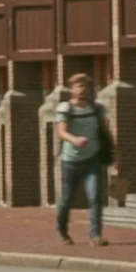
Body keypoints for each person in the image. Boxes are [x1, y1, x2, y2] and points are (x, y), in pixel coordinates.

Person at [54, 73, 110, 245]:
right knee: (67, 199)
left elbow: (105, 132)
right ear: (71, 89)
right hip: (71, 161)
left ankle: (95, 236)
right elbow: (61, 132)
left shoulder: (96, 108)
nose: (83, 89)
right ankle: (62, 231)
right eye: (79, 85)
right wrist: (75, 140)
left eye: (85, 85)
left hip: (92, 160)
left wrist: (114, 153)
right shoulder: (65, 108)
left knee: (95, 197)